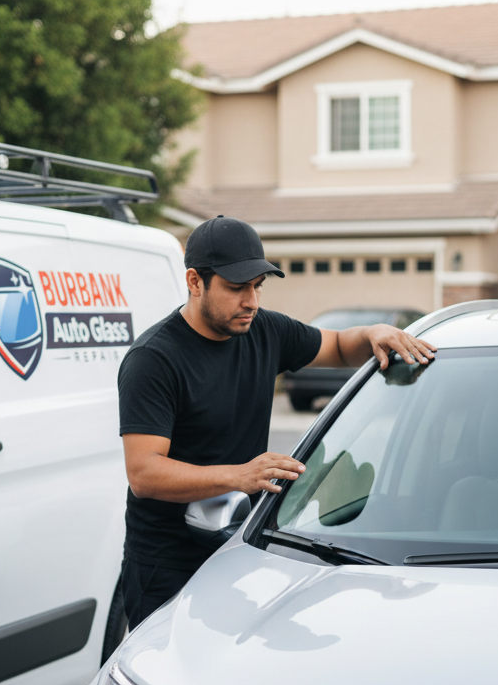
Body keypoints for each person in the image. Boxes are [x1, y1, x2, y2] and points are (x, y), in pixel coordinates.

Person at [117, 216, 436, 628]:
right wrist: (240, 476)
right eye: (236, 287)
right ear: (195, 282)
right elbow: (144, 473)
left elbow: (339, 346)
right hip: (167, 566)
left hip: (240, 549)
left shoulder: (263, 330)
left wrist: (373, 333)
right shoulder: (154, 360)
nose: (251, 300)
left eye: (257, 286)